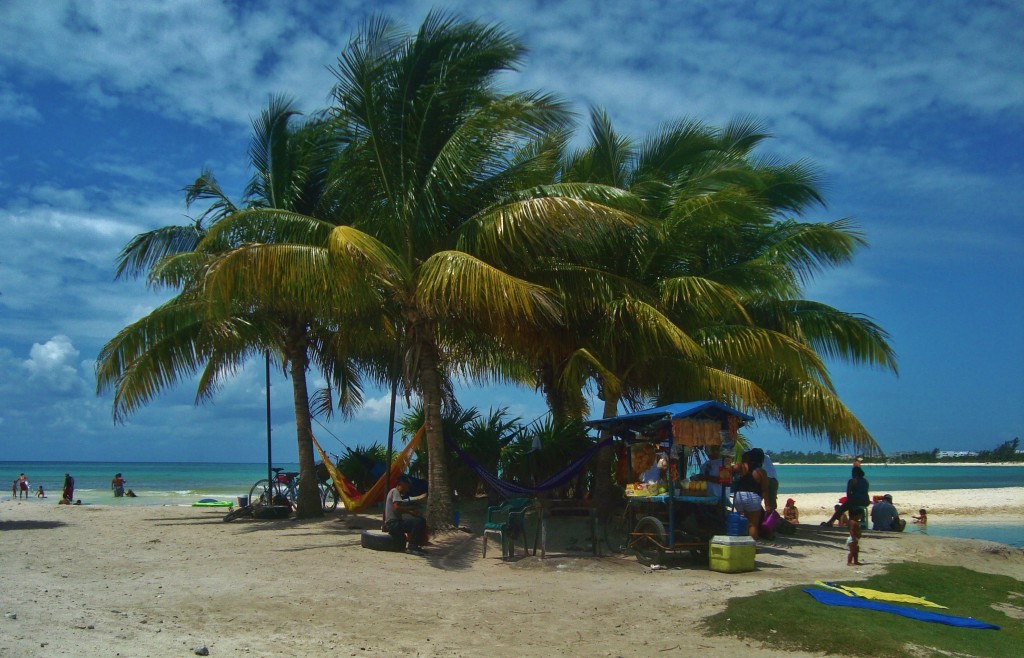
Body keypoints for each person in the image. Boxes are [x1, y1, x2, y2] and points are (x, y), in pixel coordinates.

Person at [730, 449, 770, 540]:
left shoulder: (740, 467)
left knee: (741, 522)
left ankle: (740, 544)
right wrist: (767, 505)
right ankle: (751, 548)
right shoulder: (761, 472)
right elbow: (765, 489)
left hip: (739, 496)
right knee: (753, 524)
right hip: (753, 496)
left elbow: (729, 470)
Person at [384, 474, 428, 555]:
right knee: (419, 521)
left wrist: (411, 509)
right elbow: (396, 508)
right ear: (401, 484)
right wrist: (410, 512)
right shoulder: (395, 491)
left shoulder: (395, 493)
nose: (408, 489)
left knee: (416, 522)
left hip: (393, 524)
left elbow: (400, 506)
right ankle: (412, 546)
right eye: (407, 486)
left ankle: (415, 544)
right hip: (393, 524)